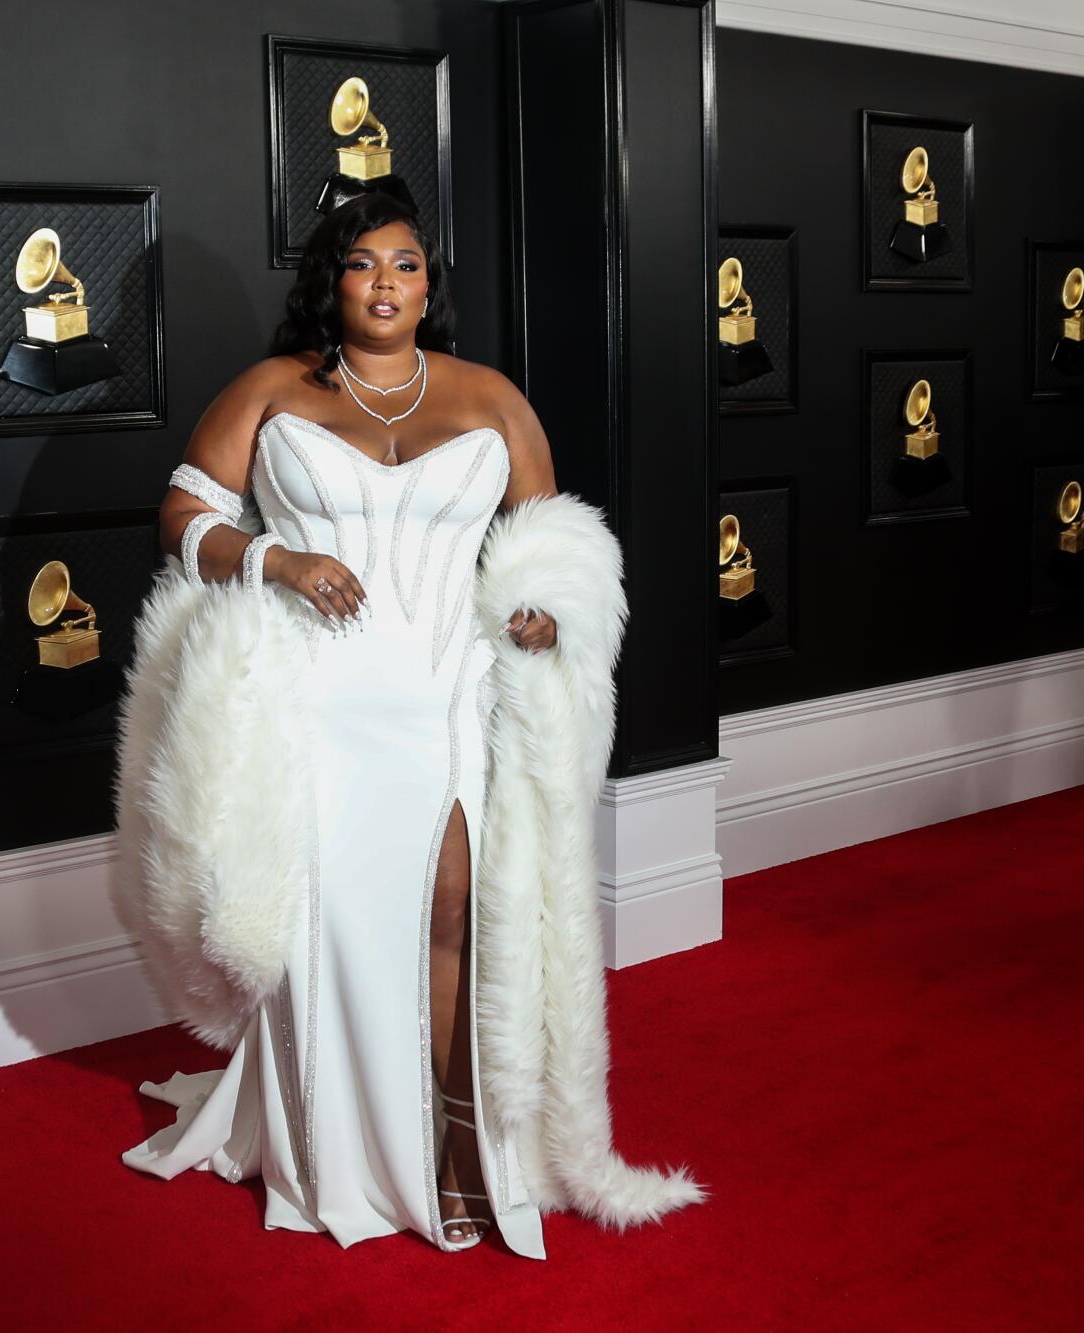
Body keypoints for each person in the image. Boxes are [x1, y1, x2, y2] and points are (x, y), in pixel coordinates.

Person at [112, 191, 706, 1257]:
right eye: (361, 263)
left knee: (449, 917)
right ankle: (336, 1148)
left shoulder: (488, 397)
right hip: (315, 705)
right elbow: (181, 514)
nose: (384, 281)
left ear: (429, 284)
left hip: (447, 698)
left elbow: (552, 539)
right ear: (329, 280)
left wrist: (542, 611)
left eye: (405, 263)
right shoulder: (269, 390)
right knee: (322, 928)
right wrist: (274, 559)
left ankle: (458, 1146)